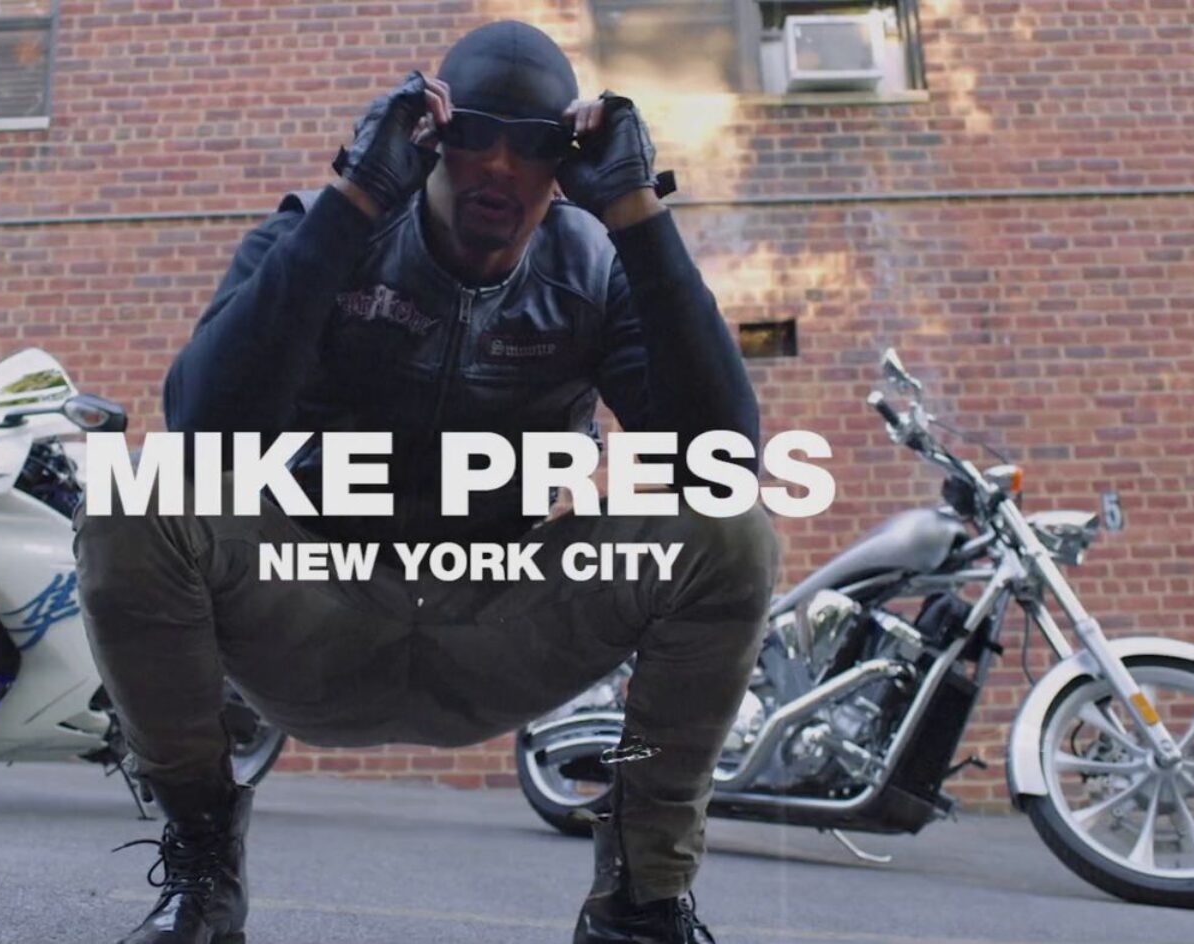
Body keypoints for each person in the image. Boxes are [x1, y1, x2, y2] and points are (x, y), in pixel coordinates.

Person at [73, 20, 781, 944]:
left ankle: (640, 902)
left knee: (733, 532)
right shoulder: (323, 231)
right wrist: (355, 198)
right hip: (313, 614)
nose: (499, 165)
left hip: (496, 627)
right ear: (434, 135)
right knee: (141, 494)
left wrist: (638, 214)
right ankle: (204, 867)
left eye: (531, 144)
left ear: (562, 160)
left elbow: (720, 461)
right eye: (475, 133)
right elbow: (205, 433)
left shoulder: (595, 267)